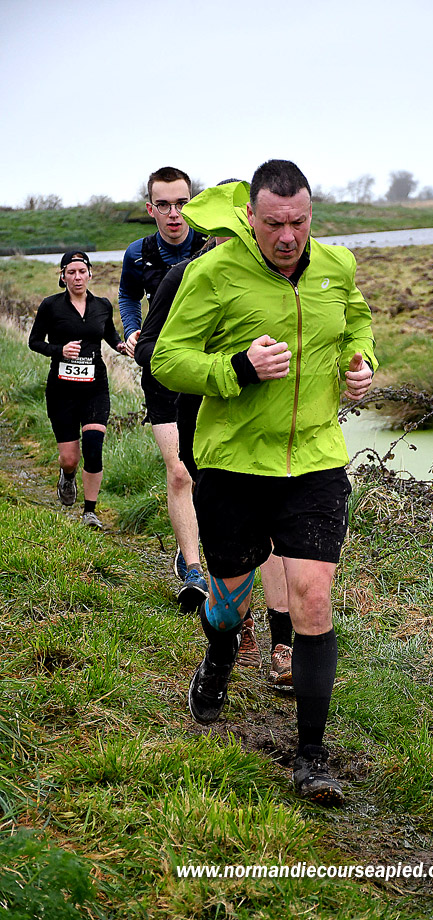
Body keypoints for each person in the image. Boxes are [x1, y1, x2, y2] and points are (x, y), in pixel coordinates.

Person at [152, 161, 377, 805]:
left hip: (315, 460)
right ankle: (220, 655)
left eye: (299, 222)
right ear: (250, 217)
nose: (288, 237)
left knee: (313, 597)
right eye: (274, 223)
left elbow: (356, 324)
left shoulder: (337, 265)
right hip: (234, 465)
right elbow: (167, 359)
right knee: (230, 602)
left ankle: (311, 757)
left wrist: (362, 363)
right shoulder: (213, 273)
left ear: (311, 215)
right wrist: (239, 368)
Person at [134, 193, 293, 679]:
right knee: (233, 533)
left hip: (268, 425)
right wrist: (218, 367)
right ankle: (238, 625)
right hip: (204, 425)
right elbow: (150, 350)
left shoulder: (281, 278)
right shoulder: (185, 276)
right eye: (226, 229)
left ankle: (282, 644)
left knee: (272, 527)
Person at [118, 166, 208, 610]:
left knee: (208, 471)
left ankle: (213, 548)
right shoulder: (138, 254)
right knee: (179, 471)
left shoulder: (212, 243)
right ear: (150, 208)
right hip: (160, 369)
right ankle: (193, 569)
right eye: (165, 205)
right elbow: (127, 296)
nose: (175, 213)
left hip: (208, 371)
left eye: (182, 203)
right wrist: (132, 330)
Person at [28, 250, 127, 528]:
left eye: (82, 271)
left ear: (90, 274)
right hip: (62, 391)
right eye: (71, 272)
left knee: (94, 447)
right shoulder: (51, 306)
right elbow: (34, 342)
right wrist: (59, 350)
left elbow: (109, 335)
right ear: (63, 276)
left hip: (95, 388)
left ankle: (90, 511)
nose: (77, 277)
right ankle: (67, 475)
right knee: (70, 459)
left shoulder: (102, 305)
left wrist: (121, 346)